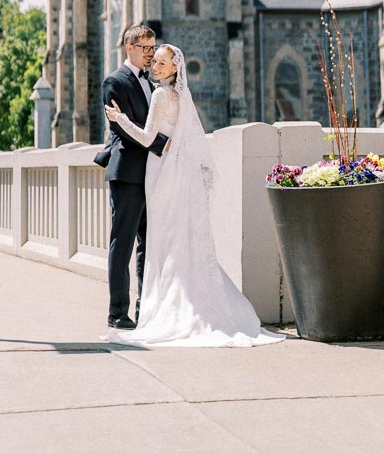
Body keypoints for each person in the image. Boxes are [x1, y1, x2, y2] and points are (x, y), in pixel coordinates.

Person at [104, 43, 285, 347]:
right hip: (176, 172)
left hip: (161, 174)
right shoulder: (182, 94)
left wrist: (120, 119)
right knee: (176, 239)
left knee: (164, 241)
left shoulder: (161, 94)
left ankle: (163, 308)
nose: (155, 67)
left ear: (175, 68)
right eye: (155, 62)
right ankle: (182, 303)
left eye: (161, 63)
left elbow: (148, 137)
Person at [96, 23, 168, 329]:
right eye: (145, 49)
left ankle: (144, 309)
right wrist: (165, 145)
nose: (151, 55)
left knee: (148, 245)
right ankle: (117, 313)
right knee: (122, 243)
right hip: (126, 175)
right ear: (130, 48)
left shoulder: (152, 85)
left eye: (153, 48)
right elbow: (124, 129)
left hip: (150, 177)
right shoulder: (114, 82)